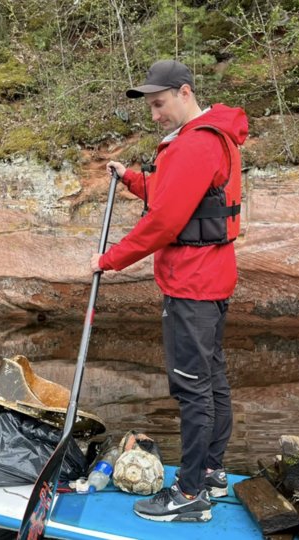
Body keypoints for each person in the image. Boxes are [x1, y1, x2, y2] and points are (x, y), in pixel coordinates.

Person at [90, 59, 248, 522]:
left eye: (159, 104)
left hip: (193, 285)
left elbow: (164, 221)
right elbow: (181, 196)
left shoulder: (197, 144)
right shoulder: (209, 135)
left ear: (183, 92)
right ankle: (213, 473)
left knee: (193, 390)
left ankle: (189, 493)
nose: (154, 114)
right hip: (211, 281)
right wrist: (134, 179)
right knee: (212, 381)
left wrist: (109, 259)